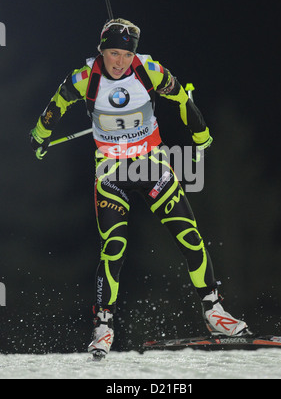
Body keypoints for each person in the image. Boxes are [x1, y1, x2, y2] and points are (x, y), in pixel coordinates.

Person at [30, 18, 250, 359]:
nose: (118, 62)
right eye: (112, 53)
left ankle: (214, 311)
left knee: (188, 235)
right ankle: (103, 326)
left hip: (151, 165)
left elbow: (182, 99)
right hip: (111, 171)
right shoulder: (85, 78)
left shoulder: (150, 70)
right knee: (113, 246)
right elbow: (56, 104)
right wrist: (41, 136)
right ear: (101, 50)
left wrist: (200, 133)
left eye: (125, 55)